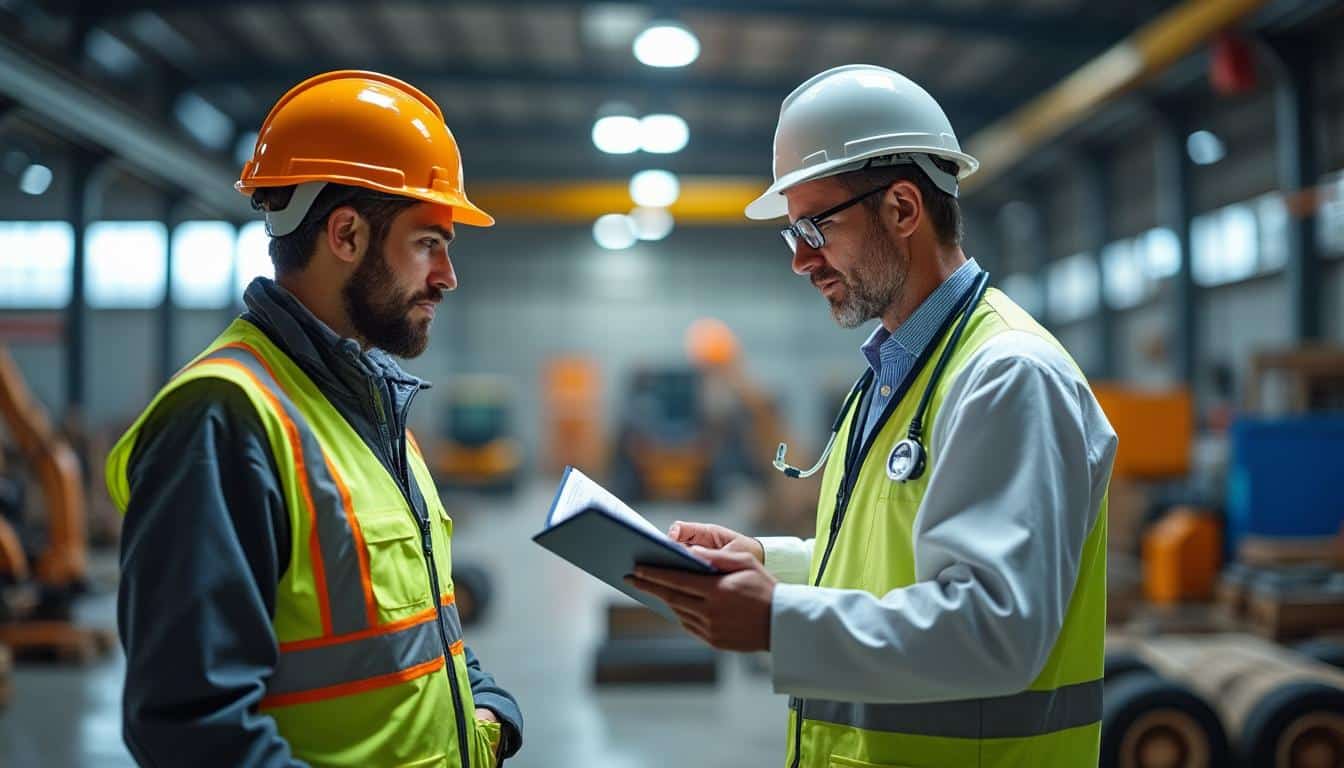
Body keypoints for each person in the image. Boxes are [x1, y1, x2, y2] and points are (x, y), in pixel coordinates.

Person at [628, 64, 1117, 767]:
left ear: (903, 209)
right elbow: (888, 566)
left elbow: (996, 628)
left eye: (814, 227)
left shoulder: (1006, 375)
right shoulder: (894, 373)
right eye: (791, 234)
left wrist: (777, 620)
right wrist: (769, 563)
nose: (801, 261)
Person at [106, 71, 522, 767]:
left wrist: (488, 709)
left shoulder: (371, 405)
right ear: (347, 234)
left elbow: (412, 627)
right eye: (428, 243)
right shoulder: (226, 418)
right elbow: (191, 732)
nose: (447, 276)